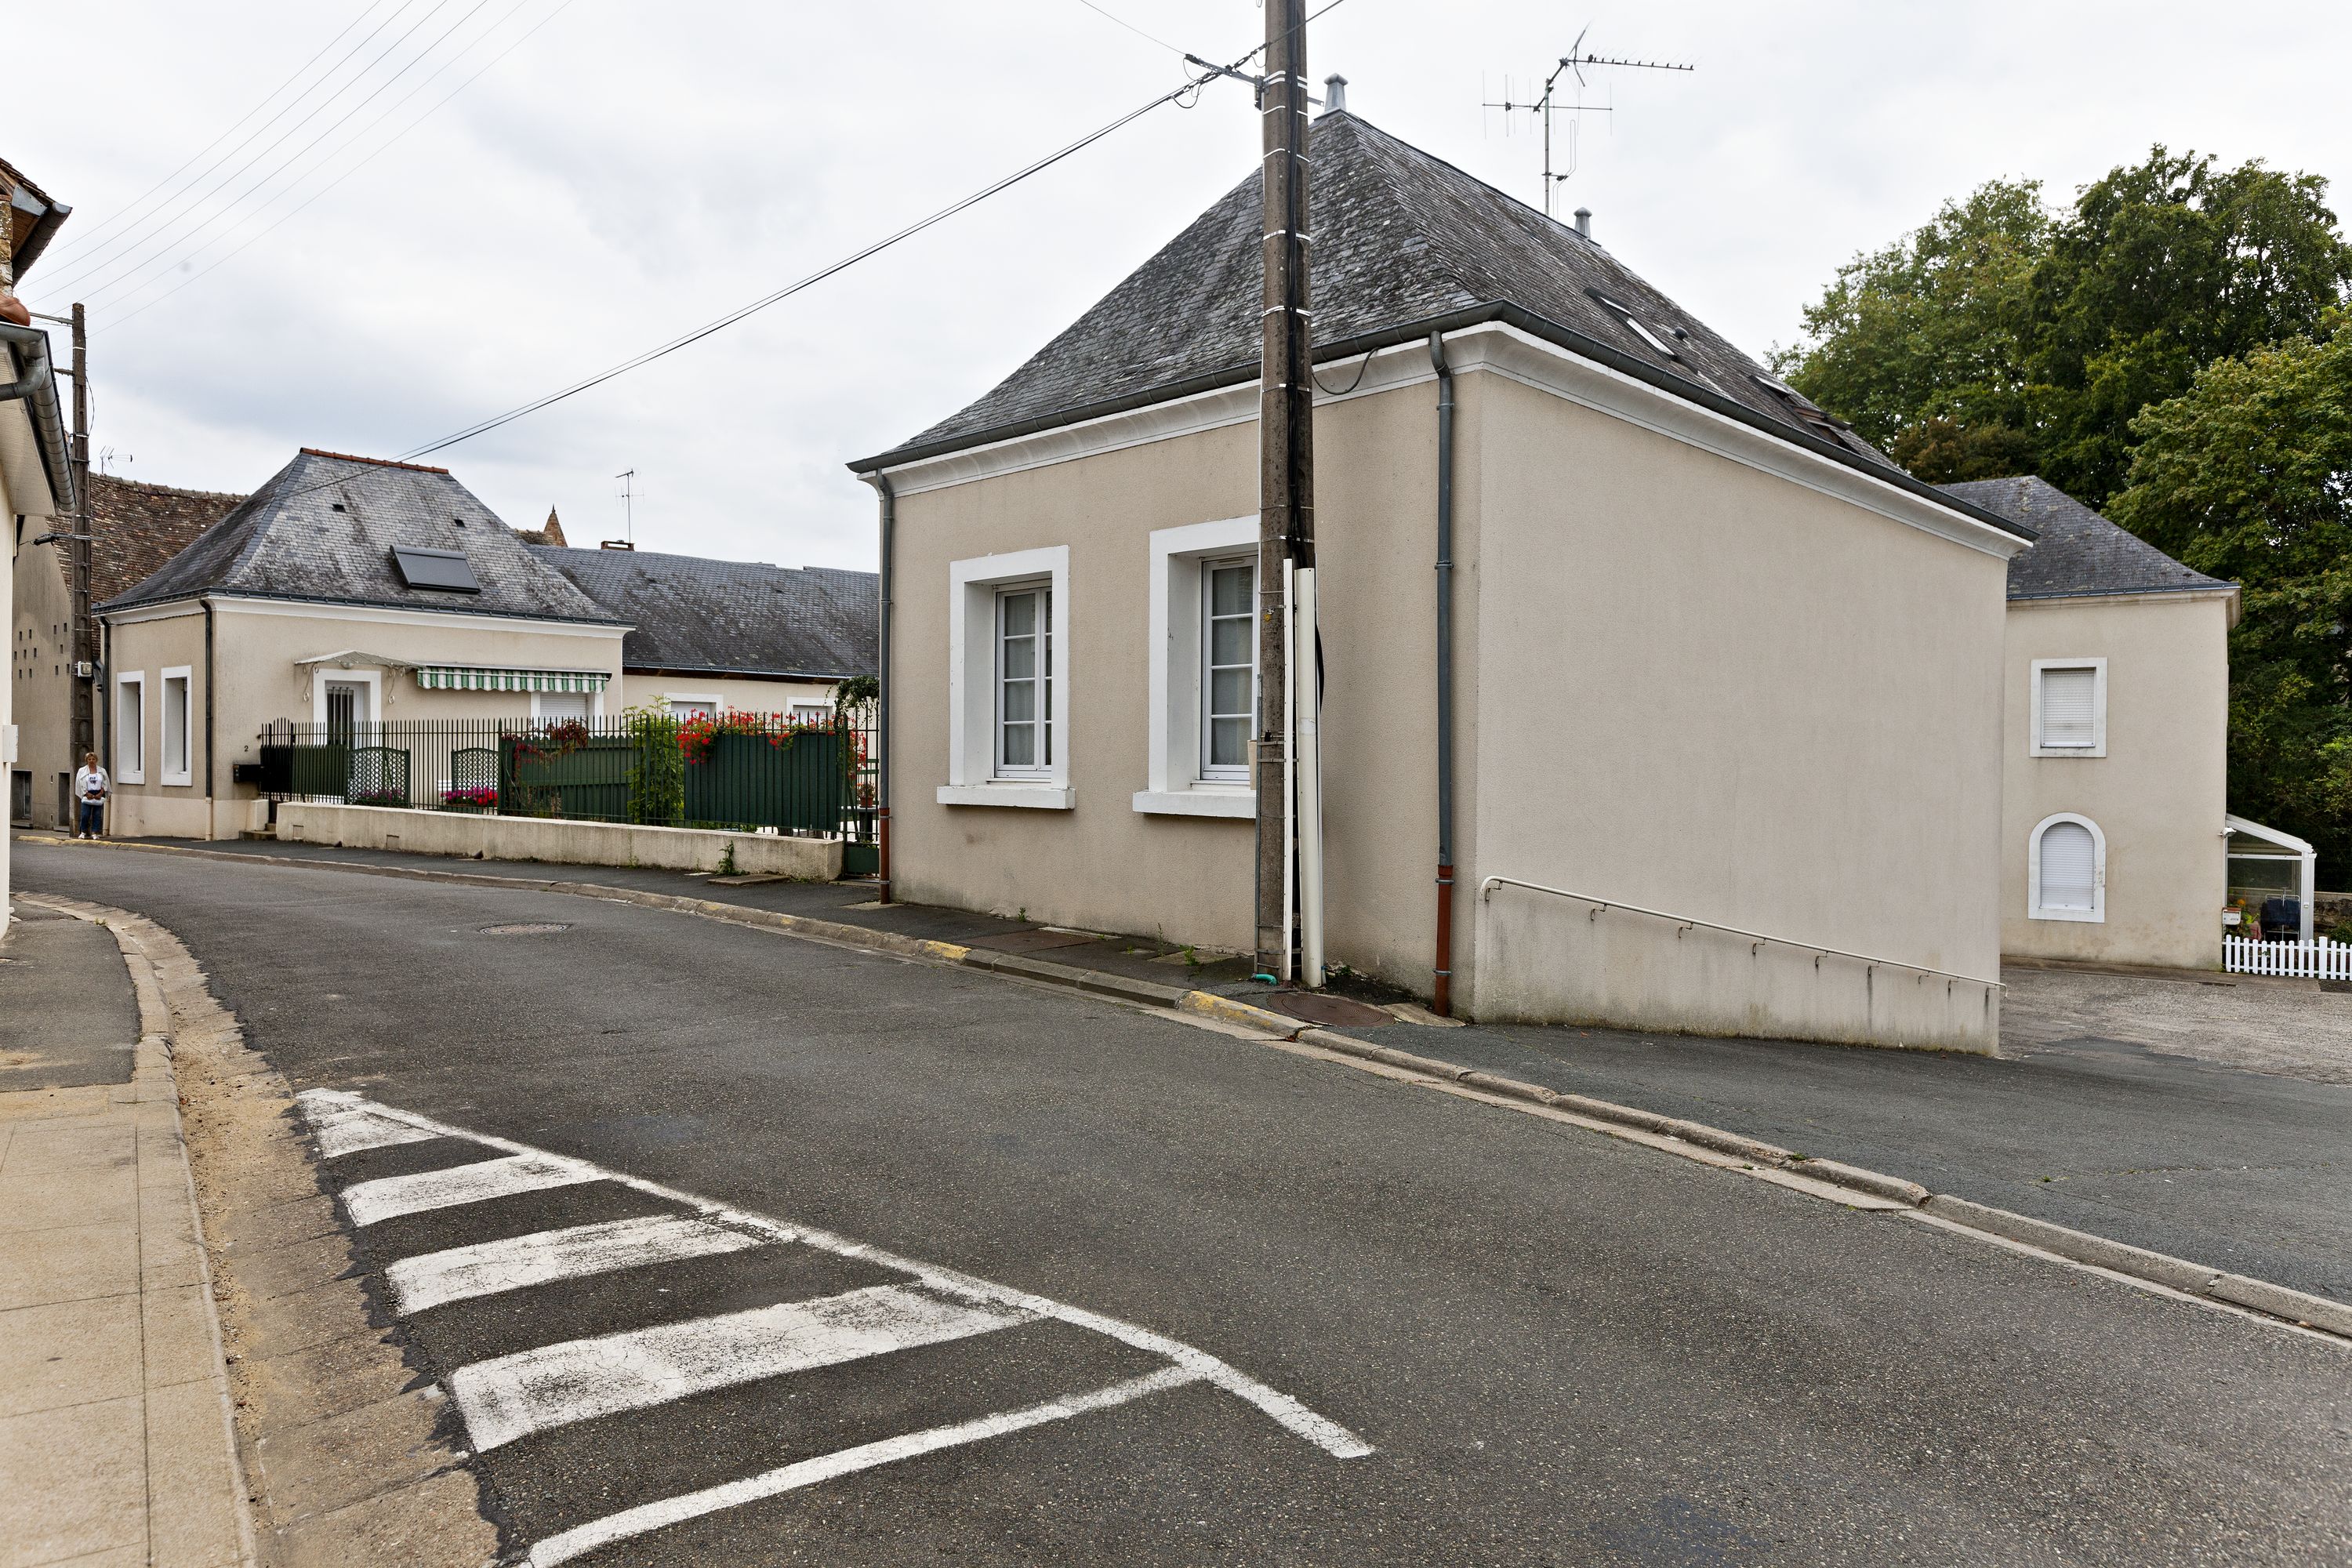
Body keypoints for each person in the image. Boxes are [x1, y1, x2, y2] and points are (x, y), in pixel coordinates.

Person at [72, 752, 109, 840]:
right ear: (86, 761)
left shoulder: (102, 771)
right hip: (87, 793)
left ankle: (95, 832)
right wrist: (86, 793)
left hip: (98, 793)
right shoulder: (82, 771)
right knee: (85, 814)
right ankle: (83, 832)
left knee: (97, 815)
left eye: (93, 759)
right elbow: (79, 783)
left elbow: (105, 783)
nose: (91, 761)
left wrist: (101, 793)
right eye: (89, 759)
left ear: (96, 760)